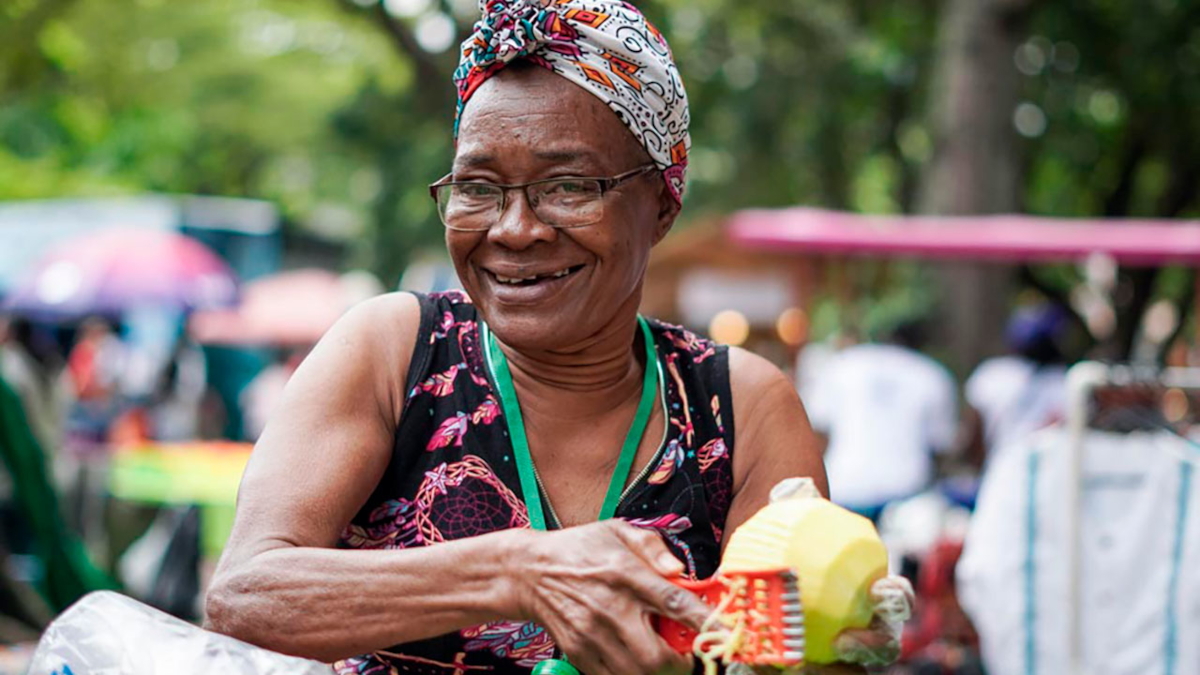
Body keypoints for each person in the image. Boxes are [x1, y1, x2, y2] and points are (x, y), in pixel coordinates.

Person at [206, 2, 904, 673]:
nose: (515, 229)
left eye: (568, 186)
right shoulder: (396, 351)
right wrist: (517, 569)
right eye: (478, 186)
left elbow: (793, 637)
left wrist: (826, 647)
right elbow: (245, 594)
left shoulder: (739, 407)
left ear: (662, 203)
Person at [800, 321, 957, 521]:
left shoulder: (841, 366)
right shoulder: (932, 374)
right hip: (907, 493)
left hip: (845, 487)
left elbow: (818, 434)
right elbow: (941, 447)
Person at [960, 303, 1068, 471]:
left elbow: (973, 437)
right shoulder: (1066, 381)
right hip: (1044, 475)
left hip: (999, 473)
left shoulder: (991, 374)